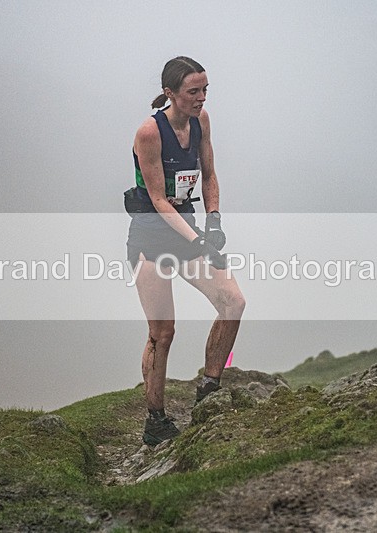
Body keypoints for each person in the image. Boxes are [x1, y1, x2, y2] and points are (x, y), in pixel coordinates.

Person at [125, 56, 246, 445]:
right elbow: (159, 199)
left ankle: (209, 388)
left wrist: (214, 222)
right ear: (170, 94)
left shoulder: (202, 121)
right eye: (193, 91)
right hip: (150, 238)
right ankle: (155, 420)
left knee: (233, 302)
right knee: (163, 331)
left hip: (188, 228)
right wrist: (198, 242)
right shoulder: (149, 133)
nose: (201, 98)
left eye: (205, 89)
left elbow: (209, 174)